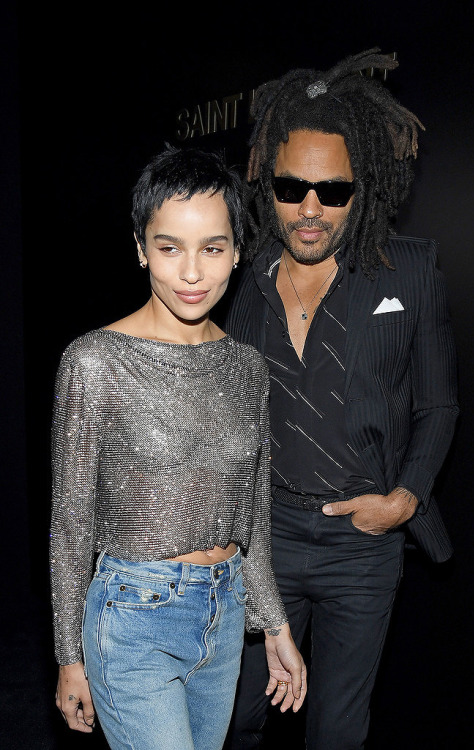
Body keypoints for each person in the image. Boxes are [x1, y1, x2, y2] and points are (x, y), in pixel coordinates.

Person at [222, 48, 459, 749]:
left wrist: (405, 500)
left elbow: (439, 406)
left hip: (362, 546)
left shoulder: (410, 272)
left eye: (333, 191)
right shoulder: (244, 276)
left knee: (336, 733)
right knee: (238, 717)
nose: (310, 209)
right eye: (292, 187)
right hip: (267, 537)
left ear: (365, 189)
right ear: (269, 185)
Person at [50, 144, 307, 750]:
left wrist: (273, 624)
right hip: (132, 618)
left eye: (212, 249)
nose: (192, 273)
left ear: (238, 252)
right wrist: (68, 657)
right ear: (141, 249)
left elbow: (254, 519)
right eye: (169, 248)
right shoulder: (94, 362)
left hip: (224, 623)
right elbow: (70, 526)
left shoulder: (246, 368)